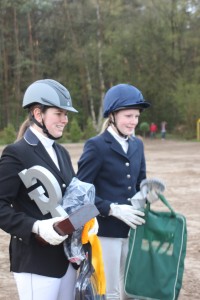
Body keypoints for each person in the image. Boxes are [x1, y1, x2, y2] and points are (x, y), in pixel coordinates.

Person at [0, 79, 79, 300]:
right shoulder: (16, 153)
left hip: (67, 260)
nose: (65, 120)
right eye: (59, 113)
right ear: (37, 113)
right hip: (36, 261)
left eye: (66, 114)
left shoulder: (61, 152)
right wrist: (35, 226)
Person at [77, 83, 151, 300]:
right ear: (112, 115)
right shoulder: (96, 146)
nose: (134, 122)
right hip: (105, 233)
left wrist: (147, 195)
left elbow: (140, 182)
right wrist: (111, 209)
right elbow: (80, 193)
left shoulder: (138, 145)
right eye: (128, 115)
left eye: (136, 116)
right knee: (110, 292)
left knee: (132, 289)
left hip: (133, 231)